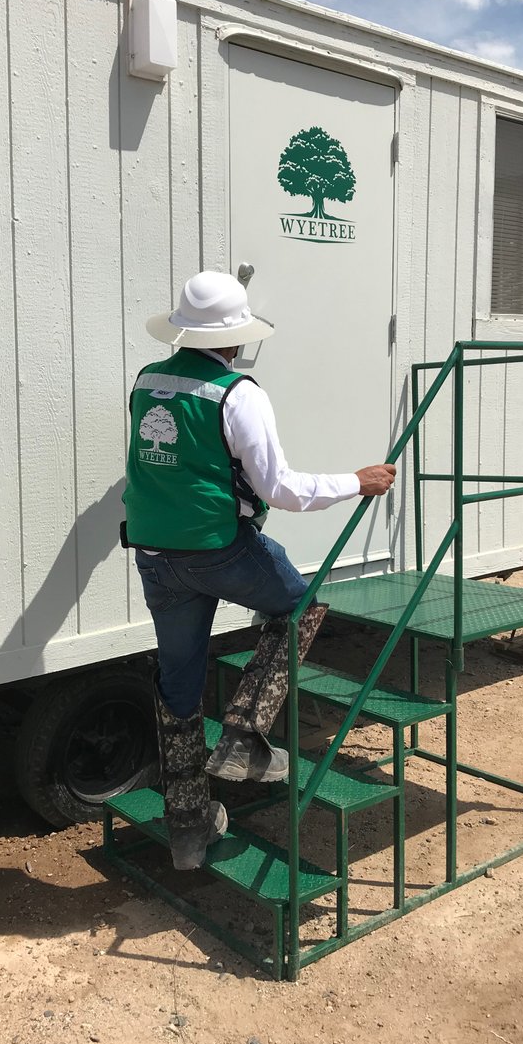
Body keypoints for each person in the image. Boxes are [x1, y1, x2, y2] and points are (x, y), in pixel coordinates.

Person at [122, 270, 396, 870]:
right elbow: (280, 489)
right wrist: (356, 482)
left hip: (155, 556)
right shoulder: (237, 394)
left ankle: (189, 830)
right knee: (299, 607)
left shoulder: (147, 382)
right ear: (237, 335)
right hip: (221, 549)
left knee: (178, 686)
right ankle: (244, 735)